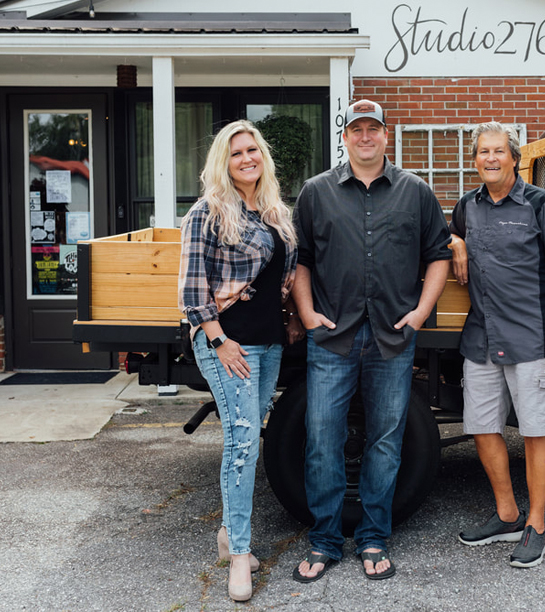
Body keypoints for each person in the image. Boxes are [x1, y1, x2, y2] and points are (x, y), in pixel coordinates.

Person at [291, 99, 451, 582]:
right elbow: (300, 259)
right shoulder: (316, 192)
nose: (365, 136)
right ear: (345, 137)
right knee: (322, 441)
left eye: (373, 129)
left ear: (387, 135)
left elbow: (439, 254)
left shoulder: (415, 192)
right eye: (356, 129)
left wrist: (422, 312)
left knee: (385, 441)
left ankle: (374, 537)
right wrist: (306, 312)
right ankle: (323, 541)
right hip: (331, 338)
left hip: (392, 339)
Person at [178, 119, 302, 601]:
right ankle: (239, 557)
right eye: (236, 153)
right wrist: (218, 341)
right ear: (222, 162)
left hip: (269, 342)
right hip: (230, 343)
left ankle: (231, 532)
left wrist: (291, 318)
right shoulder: (207, 213)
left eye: (252, 150)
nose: (246, 158)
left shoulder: (274, 212)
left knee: (247, 434)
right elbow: (192, 289)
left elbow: (281, 276)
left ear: (262, 156)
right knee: (244, 441)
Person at [450, 122, 545, 568]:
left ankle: (537, 526)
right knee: (483, 427)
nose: (490, 158)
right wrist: (456, 241)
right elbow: (445, 235)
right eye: (483, 151)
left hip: (532, 339)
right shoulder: (467, 206)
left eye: (498, 151)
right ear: (475, 160)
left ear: (514, 158)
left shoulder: (543, 206)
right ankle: (507, 514)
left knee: (535, 432)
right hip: (482, 339)